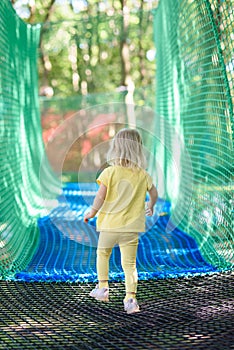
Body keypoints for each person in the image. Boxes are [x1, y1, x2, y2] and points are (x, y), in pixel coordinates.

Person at [84, 128, 158, 314]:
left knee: (103, 254)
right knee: (130, 265)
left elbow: (100, 197)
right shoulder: (142, 174)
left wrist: (92, 212)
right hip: (131, 229)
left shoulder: (109, 173)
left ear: (116, 148)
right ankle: (130, 299)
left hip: (109, 226)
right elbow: (154, 192)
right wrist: (151, 204)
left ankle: (103, 288)